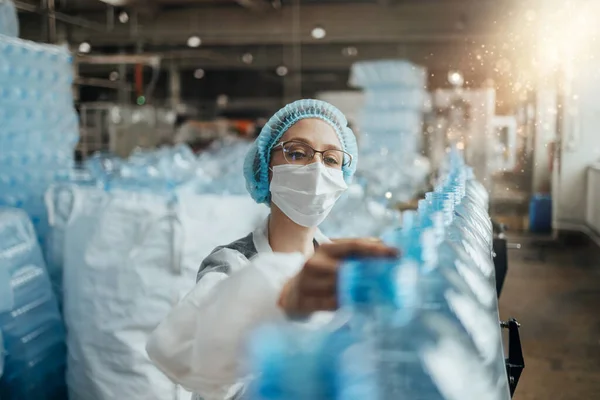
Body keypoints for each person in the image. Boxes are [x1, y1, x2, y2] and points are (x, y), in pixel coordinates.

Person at [146, 99, 398, 400]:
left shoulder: (341, 269)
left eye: (331, 159)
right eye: (297, 153)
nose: (316, 168)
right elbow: (179, 349)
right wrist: (281, 297)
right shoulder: (231, 263)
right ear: (267, 166)